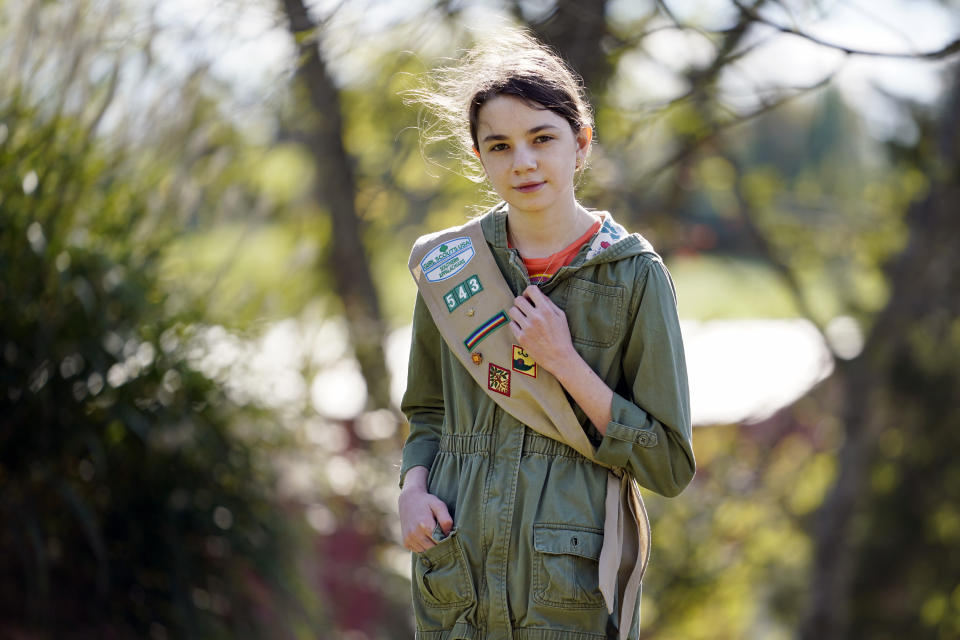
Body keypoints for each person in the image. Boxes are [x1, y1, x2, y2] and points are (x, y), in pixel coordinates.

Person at [398, 29, 695, 640]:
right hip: (459, 579)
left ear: (581, 144)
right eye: (500, 146)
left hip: (567, 585)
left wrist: (566, 363)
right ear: (479, 156)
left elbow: (668, 465)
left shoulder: (633, 274)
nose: (523, 162)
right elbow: (427, 412)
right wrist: (410, 490)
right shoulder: (451, 266)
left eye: (542, 139)